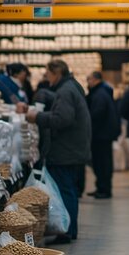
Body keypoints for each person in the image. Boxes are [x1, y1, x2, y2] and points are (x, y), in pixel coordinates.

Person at [21, 60, 91, 243]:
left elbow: (62, 119)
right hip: (73, 149)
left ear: (56, 73)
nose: (46, 77)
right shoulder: (71, 87)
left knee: (65, 190)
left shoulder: (65, 91)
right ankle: (69, 229)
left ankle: (65, 230)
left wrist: (37, 116)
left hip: (65, 151)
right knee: (70, 190)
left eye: (48, 73)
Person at [85, 71, 120, 199]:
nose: (87, 82)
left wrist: (90, 126)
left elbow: (97, 114)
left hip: (101, 135)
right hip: (104, 134)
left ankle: (104, 189)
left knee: (102, 163)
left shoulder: (99, 94)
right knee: (101, 162)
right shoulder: (102, 92)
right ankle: (101, 187)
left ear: (95, 79)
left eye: (88, 79)